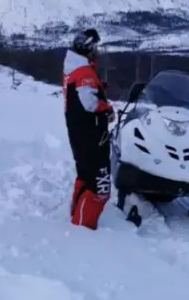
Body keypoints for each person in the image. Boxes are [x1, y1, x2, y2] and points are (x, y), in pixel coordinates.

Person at [62, 28, 115, 229]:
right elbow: (89, 103)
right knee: (100, 188)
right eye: (94, 47)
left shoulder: (75, 68)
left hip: (81, 132)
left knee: (85, 176)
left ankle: (77, 217)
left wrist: (99, 90)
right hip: (90, 134)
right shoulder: (84, 72)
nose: (96, 52)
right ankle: (83, 230)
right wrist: (106, 108)